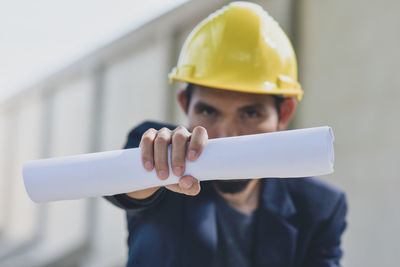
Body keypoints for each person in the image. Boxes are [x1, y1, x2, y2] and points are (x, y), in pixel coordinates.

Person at [105, 2, 347, 267]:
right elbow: (124, 184)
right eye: (209, 112)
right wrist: (152, 167)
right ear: (186, 105)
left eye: (250, 114)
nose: (227, 134)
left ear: (285, 113)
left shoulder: (320, 207)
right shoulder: (164, 157)